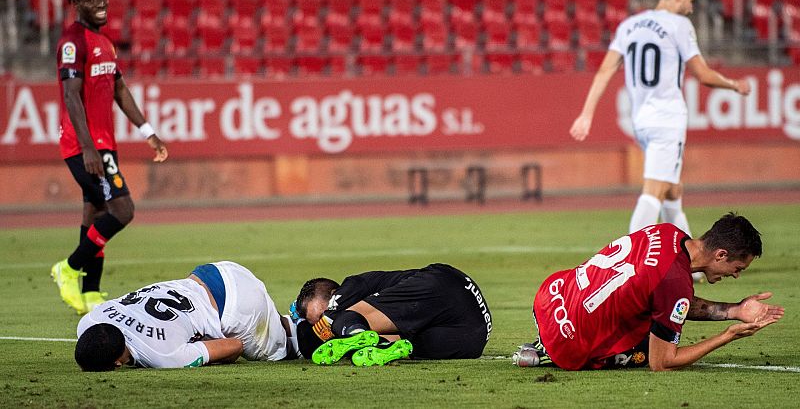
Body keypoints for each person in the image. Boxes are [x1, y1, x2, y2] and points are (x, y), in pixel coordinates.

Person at [568, 0, 751, 276]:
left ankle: (692, 268)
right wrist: (734, 84)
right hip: (667, 118)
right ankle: (628, 266)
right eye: (690, 1)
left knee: (672, 190)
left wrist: (586, 113)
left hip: (640, 119)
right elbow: (703, 74)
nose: (691, 8)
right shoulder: (679, 25)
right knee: (654, 190)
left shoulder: (628, 26)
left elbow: (603, 72)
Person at [514, 213, 783, 371]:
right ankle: (546, 353)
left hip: (551, 296)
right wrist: (728, 335)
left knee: (652, 311)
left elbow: (668, 296)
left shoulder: (666, 231)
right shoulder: (675, 281)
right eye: (737, 268)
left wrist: (734, 310)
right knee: (648, 345)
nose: (735, 275)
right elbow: (662, 363)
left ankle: (544, 340)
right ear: (721, 254)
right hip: (569, 342)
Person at [50, 0, 168, 315]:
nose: (101, 4)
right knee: (122, 210)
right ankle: (69, 268)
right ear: (77, 3)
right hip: (83, 145)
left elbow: (119, 89)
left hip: (104, 143)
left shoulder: (105, 42)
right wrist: (88, 147)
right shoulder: (73, 42)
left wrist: (148, 131)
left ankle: (90, 291)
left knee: (96, 209)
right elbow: (71, 97)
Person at [75, 261, 300, 371]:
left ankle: (327, 322)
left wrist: (200, 346)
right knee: (277, 328)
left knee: (288, 350)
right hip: (210, 273)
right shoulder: (91, 320)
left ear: (117, 363)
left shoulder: (162, 356)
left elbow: (235, 345)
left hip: (236, 304)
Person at [293, 263, 492, 366]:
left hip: (444, 284)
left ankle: (356, 335)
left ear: (333, 294)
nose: (321, 324)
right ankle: (379, 347)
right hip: (472, 339)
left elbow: (309, 345)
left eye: (321, 314)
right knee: (404, 343)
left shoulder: (352, 285)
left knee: (344, 320)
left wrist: (298, 323)